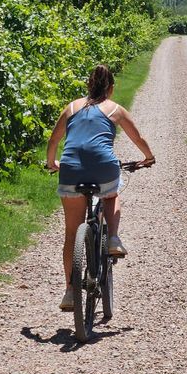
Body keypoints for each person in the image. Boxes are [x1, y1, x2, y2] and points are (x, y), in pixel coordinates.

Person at [46, 64, 156, 311]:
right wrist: (148, 157)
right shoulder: (115, 109)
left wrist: (51, 162)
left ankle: (70, 292)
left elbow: (54, 139)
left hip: (71, 167)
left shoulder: (72, 107)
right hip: (104, 166)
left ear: (88, 85)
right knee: (112, 192)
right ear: (111, 88)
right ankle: (113, 239)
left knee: (71, 234)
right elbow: (137, 138)